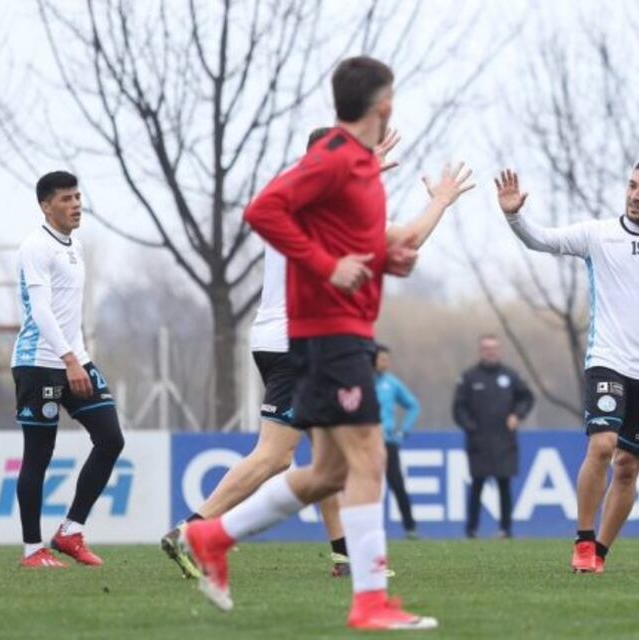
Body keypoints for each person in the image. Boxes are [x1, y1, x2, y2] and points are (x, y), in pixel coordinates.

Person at [183, 56, 474, 631]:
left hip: (345, 335)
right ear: (384, 104)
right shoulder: (334, 159)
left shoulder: (360, 169)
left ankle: (210, 535)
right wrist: (325, 265)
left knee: (328, 473)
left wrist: (416, 230)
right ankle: (370, 602)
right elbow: (262, 210)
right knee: (370, 458)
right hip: (328, 336)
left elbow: (389, 242)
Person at [161, 127, 409, 581]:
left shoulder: (292, 193)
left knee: (329, 455)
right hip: (297, 343)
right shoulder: (318, 199)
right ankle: (192, 530)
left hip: (274, 336)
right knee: (275, 456)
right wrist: (429, 199)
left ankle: (344, 554)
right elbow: (396, 241)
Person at [495, 161, 639, 573]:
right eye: (632, 186)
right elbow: (540, 241)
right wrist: (514, 215)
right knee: (601, 446)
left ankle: (599, 552)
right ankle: (582, 541)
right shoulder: (597, 234)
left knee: (628, 467)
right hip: (608, 361)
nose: (635, 195)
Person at [11, 171, 125, 568]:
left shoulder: (74, 245)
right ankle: (31, 550)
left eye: (78, 196)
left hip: (75, 359)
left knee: (111, 439)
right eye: (66, 199)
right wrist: (69, 359)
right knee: (39, 456)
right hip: (39, 364)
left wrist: (79, 356)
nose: (76, 204)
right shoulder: (34, 247)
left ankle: (71, 531)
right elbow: (41, 312)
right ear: (46, 205)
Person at [452, 334, 534, 539]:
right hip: (478, 441)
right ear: (480, 351)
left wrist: (518, 415)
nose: (491, 352)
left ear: (499, 350)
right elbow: (458, 408)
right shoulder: (469, 377)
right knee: (477, 485)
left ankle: (505, 529)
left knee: (504, 485)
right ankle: (471, 529)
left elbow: (526, 398)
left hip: (504, 440)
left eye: (494, 348)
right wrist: (470, 427)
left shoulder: (511, 375)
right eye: (486, 348)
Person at [374, 344, 421, 538]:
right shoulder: (360, 383)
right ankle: (367, 528)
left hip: (387, 442)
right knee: (365, 486)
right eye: (382, 359)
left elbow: (413, 406)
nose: (386, 363)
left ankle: (410, 528)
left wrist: (403, 431)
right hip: (363, 442)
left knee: (397, 484)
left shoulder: (391, 384)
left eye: (387, 359)